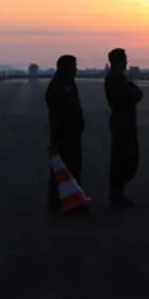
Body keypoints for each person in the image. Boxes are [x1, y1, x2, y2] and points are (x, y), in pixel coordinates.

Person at [46, 54, 86, 215]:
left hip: (70, 133)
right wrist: (55, 138)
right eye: (74, 67)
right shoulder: (61, 86)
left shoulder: (65, 83)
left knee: (69, 169)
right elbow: (58, 114)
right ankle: (64, 203)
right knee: (66, 169)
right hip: (65, 135)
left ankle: (68, 201)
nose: (76, 70)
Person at [104, 48, 144, 208]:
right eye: (124, 59)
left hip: (123, 121)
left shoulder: (116, 79)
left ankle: (117, 193)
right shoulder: (117, 80)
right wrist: (132, 87)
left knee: (124, 158)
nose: (127, 61)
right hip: (123, 122)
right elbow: (136, 95)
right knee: (124, 159)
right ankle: (116, 193)